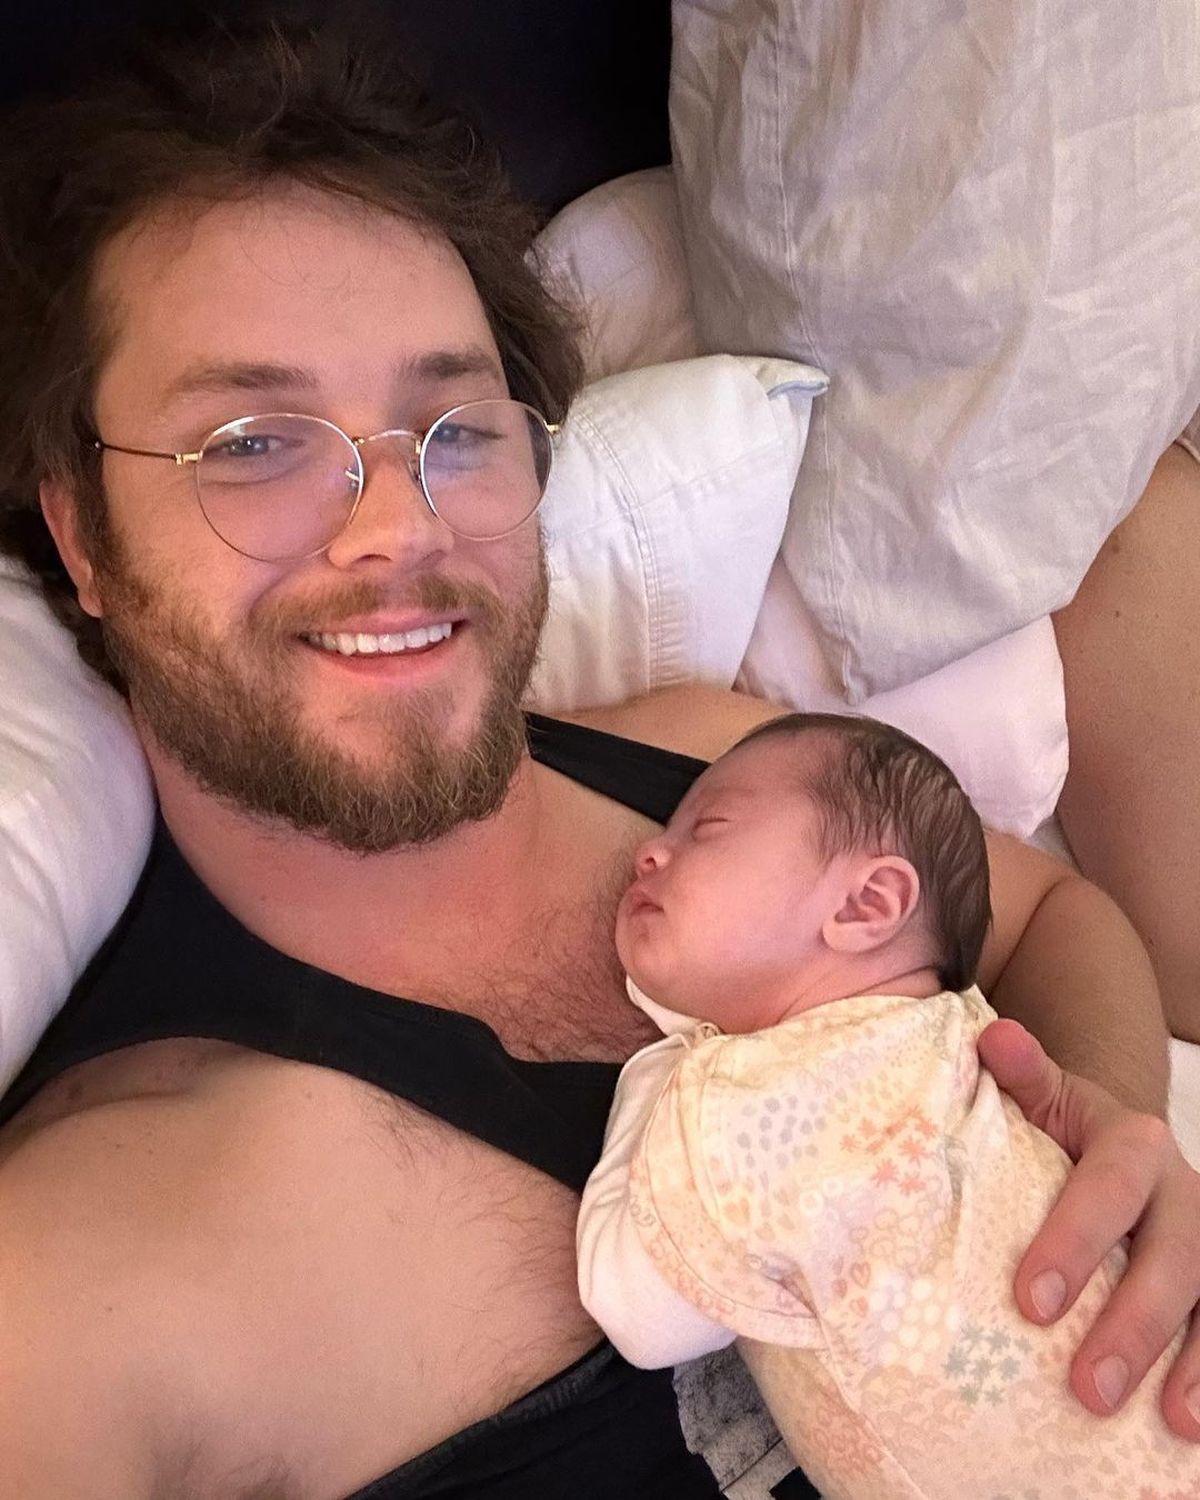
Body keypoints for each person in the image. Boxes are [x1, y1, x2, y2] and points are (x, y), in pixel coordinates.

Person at [0, 13, 1198, 1499]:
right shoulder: (99, 1271)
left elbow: (1053, 913)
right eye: (252, 441)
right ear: (80, 537)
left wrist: (1099, 1140)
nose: (400, 529)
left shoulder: (710, 764)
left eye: (457, 429)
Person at [578, 712, 1200, 1497]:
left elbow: (638, 1313)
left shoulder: (743, 1114)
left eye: (710, 828)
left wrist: (655, 1085)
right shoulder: (957, 1027)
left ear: (868, 903)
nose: (649, 850)